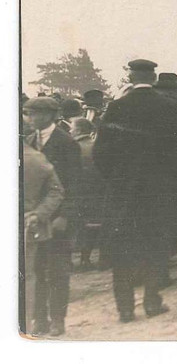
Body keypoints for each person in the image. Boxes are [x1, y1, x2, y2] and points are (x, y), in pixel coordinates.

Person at [94, 59, 177, 323]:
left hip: (123, 190)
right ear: (153, 79)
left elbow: (100, 152)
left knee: (123, 246)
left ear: (131, 78)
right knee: (155, 242)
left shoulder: (116, 107)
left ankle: (125, 309)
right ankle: (152, 301)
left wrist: (116, 178)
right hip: (159, 189)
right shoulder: (168, 107)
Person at [23, 96, 81, 337]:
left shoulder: (67, 143)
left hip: (57, 219)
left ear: (49, 115)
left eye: (34, 114)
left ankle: (57, 319)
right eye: (28, 114)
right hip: (34, 220)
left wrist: (65, 217)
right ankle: (39, 319)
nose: (30, 118)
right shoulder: (28, 141)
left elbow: (75, 185)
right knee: (35, 270)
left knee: (57, 270)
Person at [22, 139, 65, 337]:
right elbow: (56, 192)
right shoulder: (35, 157)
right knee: (26, 277)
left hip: (25, 225)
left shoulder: (33, 158)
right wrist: (39, 214)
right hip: (27, 224)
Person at [69, 118, 107, 271]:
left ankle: (76, 261)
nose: (70, 131)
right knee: (94, 226)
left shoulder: (72, 148)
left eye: (72, 128)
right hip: (96, 192)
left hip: (78, 193)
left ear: (78, 131)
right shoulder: (95, 146)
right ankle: (89, 259)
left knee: (78, 227)